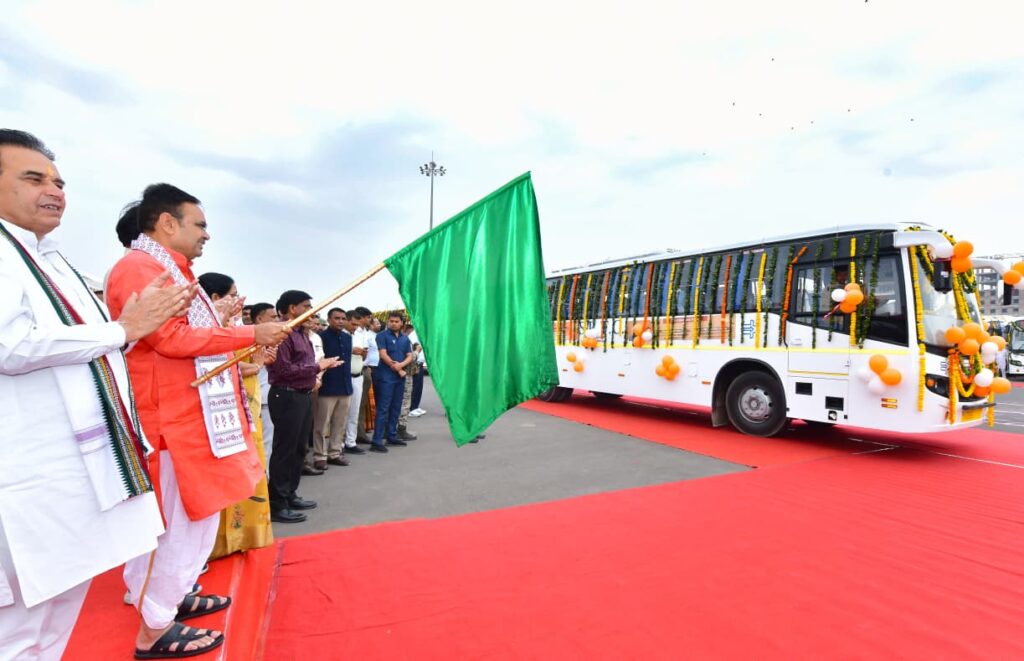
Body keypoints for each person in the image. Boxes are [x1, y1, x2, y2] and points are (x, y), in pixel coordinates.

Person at [0, 130, 193, 658]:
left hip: (70, 470)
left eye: (59, 182)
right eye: (34, 179)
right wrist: (121, 330)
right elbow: (9, 344)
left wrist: (123, 330)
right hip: (24, 479)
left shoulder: (47, 257)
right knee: (17, 627)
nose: (54, 191)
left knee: (56, 610)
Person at [106, 183, 290, 657]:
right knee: (175, 526)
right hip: (170, 426)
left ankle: (169, 597)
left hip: (189, 420)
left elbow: (187, 337)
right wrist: (249, 333)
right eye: (200, 224)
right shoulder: (140, 268)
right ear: (168, 223)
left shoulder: (171, 269)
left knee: (189, 523)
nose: (207, 234)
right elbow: (169, 339)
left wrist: (231, 329)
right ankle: (154, 627)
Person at [197, 273, 274, 561]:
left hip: (245, 405)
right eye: (233, 294)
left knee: (248, 465)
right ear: (215, 298)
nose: (239, 300)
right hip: (220, 412)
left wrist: (257, 364)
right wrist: (254, 366)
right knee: (224, 472)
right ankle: (214, 543)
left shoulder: (234, 328)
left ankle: (241, 536)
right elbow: (217, 366)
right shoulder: (202, 330)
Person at [266, 291, 341, 523]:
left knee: (299, 448)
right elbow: (283, 370)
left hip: (302, 395)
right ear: (292, 308)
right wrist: (318, 367)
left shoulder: (302, 334)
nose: (311, 311)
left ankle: (290, 494)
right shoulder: (282, 332)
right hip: (286, 395)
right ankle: (277, 503)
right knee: (285, 450)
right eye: (306, 306)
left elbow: (304, 364)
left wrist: (316, 371)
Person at [312, 308, 355, 469]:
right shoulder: (321, 337)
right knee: (322, 425)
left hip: (345, 386)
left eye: (343, 318)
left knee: (340, 423)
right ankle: (319, 456)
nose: (341, 321)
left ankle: (335, 453)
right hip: (327, 387)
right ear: (329, 319)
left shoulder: (347, 337)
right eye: (337, 318)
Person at [371, 312, 415, 452]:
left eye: (396, 321)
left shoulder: (405, 338)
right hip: (386, 376)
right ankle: (377, 441)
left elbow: (410, 356)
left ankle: (391, 436)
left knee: (396, 407)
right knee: (383, 408)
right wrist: (395, 366)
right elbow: (382, 354)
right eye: (391, 321)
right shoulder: (382, 336)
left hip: (399, 377)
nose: (393, 323)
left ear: (401, 323)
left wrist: (401, 366)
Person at [249, 302, 278, 468]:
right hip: (253, 401)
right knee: (256, 445)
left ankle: (265, 478)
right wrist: (258, 365)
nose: (276, 320)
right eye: (272, 317)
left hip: (269, 399)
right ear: (259, 319)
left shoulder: (275, 341)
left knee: (266, 444)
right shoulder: (247, 341)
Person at [342, 309, 368, 454]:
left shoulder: (359, 335)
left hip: (358, 375)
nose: (355, 327)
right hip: (344, 377)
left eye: (357, 325)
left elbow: (363, 356)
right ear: (346, 320)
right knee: (341, 413)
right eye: (353, 324)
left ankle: (351, 442)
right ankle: (338, 444)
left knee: (354, 412)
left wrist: (363, 354)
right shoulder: (340, 335)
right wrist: (351, 350)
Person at [394, 323, 419, 440]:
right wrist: (417, 351)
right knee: (404, 402)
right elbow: (409, 357)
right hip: (405, 373)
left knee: (401, 402)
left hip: (403, 372)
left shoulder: (402, 338)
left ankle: (396, 429)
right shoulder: (404, 339)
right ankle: (401, 429)